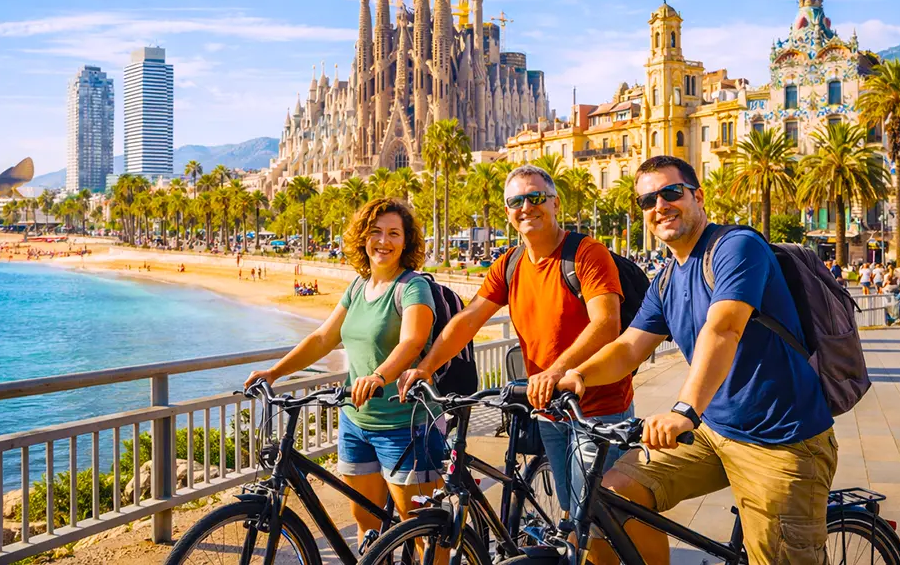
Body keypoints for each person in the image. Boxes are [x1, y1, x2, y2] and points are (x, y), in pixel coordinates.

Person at [555, 156, 835, 565]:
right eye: (647, 200)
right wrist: (575, 375)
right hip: (713, 431)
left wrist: (684, 409)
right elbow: (630, 346)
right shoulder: (668, 277)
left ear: (698, 197)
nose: (659, 206)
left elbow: (723, 328)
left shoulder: (736, 247)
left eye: (671, 193)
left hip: (780, 439)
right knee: (611, 496)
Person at [396, 164, 627, 517]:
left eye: (536, 197)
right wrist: (426, 368)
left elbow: (607, 323)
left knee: (595, 521)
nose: (526, 206)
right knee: (569, 513)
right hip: (550, 408)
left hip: (598, 409)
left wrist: (556, 371)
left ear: (555, 204)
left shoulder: (585, 253)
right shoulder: (510, 264)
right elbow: (468, 320)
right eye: (516, 200)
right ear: (507, 212)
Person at [243, 198, 443, 544]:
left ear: (406, 242)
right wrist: (275, 373)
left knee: (422, 534)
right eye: (376, 232)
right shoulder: (358, 286)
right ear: (362, 238)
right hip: (356, 423)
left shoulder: (413, 287)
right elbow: (323, 338)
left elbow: (412, 341)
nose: (384, 241)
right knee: (367, 525)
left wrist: (379, 376)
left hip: (405, 425)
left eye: (394, 233)